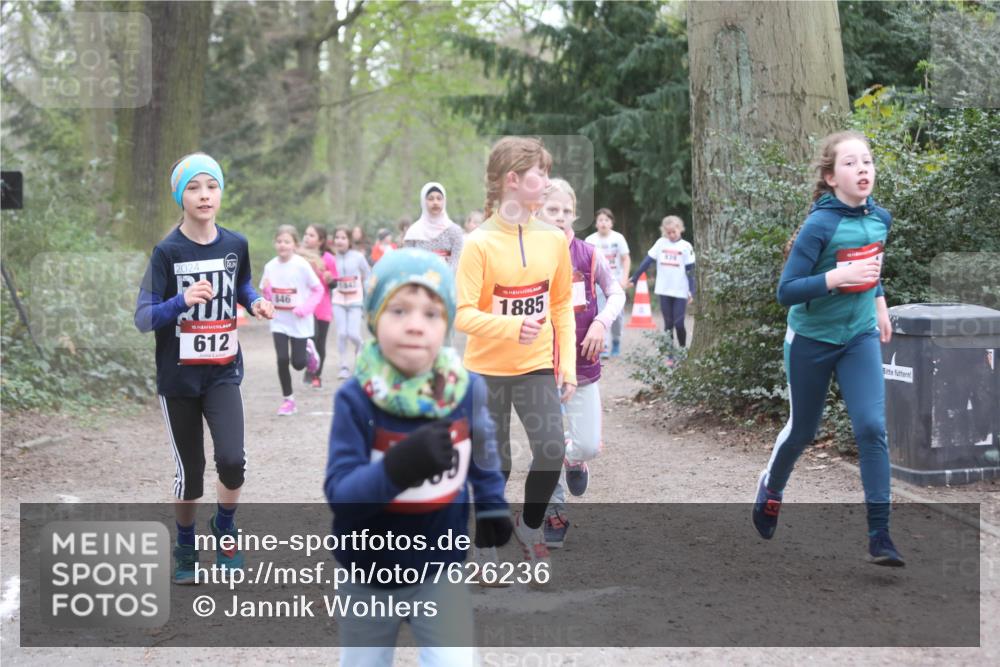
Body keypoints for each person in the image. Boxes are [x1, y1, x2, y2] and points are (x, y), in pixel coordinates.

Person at [324, 248, 512, 666]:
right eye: (399, 310)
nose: (415, 325)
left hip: (440, 570)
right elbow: (341, 496)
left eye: (431, 313)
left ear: (446, 324)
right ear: (373, 317)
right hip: (367, 574)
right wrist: (397, 468)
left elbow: (483, 446)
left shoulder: (465, 389)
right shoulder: (356, 399)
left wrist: (492, 501)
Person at [753, 130, 903, 566]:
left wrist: (879, 306)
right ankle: (772, 487)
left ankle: (880, 535)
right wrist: (837, 279)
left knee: (873, 427)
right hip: (811, 340)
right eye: (851, 163)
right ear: (831, 176)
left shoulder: (881, 219)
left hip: (858, 337)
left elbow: (871, 263)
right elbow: (787, 291)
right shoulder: (820, 224)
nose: (863, 169)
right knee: (803, 430)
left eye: (868, 162)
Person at [134, 152, 275, 583]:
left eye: (211, 186)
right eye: (193, 188)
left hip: (222, 370)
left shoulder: (235, 244)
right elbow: (143, 317)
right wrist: (180, 302)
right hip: (178, 378)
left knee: (232, 460)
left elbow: (242, 283)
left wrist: (254, 301)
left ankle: (226, 528)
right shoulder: (167, 252)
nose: (204, 195)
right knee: (190, 474)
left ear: (220, 193)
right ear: (181, 197)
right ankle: (184, 543)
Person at [455, 136, 575, 574]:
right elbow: (463, 315)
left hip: (536, 366)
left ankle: (530, 527)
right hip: (485, 370)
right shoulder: (478, 243)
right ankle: (487, 549)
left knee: (549, 450)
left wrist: (567, 366)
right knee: (496, 465)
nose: (546, 181)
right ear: (512, 180)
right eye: (538, 173)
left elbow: (561, 303)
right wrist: (510, 325)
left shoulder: (553, 239)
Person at [537, 178, 625, 548]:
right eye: (551, 210)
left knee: (586, 444)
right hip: (537, 364)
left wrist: (602, 323)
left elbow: (617, 292)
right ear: (537, 212)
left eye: (566, 211)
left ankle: (575, 461)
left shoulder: (588, 255)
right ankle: (553, 512)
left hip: (582, 363)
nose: (559, 217)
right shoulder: (523, 256)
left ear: (575, 213)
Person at [260, 225, 323, 415]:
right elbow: (265, 291)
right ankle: (288, 400)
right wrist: (268, 292)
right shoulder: (270, 266)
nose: (282, 245)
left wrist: (305, 308)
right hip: (279, 321)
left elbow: (318, 289)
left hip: (299, 321)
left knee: (298, 364)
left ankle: (307, 349)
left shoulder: (301, 265)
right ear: (274, 243)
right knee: (281, 359)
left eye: (286, 242)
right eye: (279, 241)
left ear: (295, 244)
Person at [629, 216, 696, 351]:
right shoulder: (660, 243)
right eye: (668, 232)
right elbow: (647, 262)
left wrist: (691, 291)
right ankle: (669, 354)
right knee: (668, 324)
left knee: (679, 323)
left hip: (680, 291)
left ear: (680, 229)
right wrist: (635, 278)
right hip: (664, 290)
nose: (671, 235)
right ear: (664, 231)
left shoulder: (686, 246)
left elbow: (690, 271)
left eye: (674, 232)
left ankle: (683, 350)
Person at [585, 208, 630, 358]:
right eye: (600, 220)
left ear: (611, 223)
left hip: (615, 282)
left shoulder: (618, 238)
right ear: (596, 223)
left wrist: (624, 278)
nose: (603, 223)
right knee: (599, 312)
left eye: (606, 220)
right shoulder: (590, 240)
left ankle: (616, 341)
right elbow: (585, 262)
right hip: (596, 284)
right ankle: (602, 345)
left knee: (617, 316)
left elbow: (625, 259)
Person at [331, 226, 372, 380]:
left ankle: (361, 346)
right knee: (342, 333)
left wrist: (366, 291)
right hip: (338, 300)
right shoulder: (331, 257)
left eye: (343, 238)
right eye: (337, 237)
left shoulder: (357, 257)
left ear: (349, 241)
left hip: (355, 300)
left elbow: (368, 274)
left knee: (353, 334)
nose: (339, 241)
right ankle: (344, 366)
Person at [301, 223, 338, 389]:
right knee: (308, 339)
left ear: (321, 240)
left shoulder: (329, 259)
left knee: (319, 341)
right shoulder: (299, 257)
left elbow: (334, 284)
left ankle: (316, 375)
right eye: (306, 234)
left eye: (311, 235)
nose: (307, 237)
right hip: (305, 305)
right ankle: (309, 366)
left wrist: (331, 280)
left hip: (322, 306)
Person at [403, 181, 465, 271]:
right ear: (424, 201)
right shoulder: (414, 231)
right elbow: (408, 260)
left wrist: (445, 277)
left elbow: (457, 259)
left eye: (439, 198)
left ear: (444, 201)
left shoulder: (454, 230)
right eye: (431, 199)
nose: (435, 202)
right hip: (421, 279)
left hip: (447, 279)